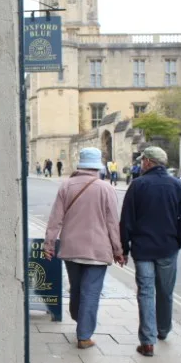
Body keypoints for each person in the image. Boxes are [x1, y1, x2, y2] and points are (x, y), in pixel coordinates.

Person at [44, 147, 124, 349]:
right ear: (98, 166)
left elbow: (55, 219)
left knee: (77, 289)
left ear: (80, 164)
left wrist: (49, 245)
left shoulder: (66, 186)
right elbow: (113, 224)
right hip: (98, 251)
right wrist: (118, 250)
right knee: (91, 292)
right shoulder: (106, 189)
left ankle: (79, 318)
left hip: (71, 248)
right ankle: (84, 335)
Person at [120, 147, 181, 357]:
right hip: (167, 248)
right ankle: (162, 330)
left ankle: (147, 341)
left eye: (143, 160)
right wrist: (178, 241)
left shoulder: (138, 185)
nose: (141, 163)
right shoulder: (176, 185)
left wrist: (124, 248)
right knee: (165, 291)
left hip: (143, 249)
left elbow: (127, 220)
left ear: (149, 162)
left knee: (145, 292)